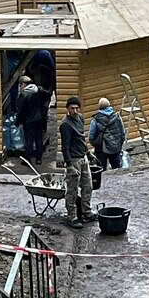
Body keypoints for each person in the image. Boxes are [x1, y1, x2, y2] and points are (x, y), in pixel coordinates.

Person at [60, 96, 97, 229]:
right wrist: (69, 165)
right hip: (74, 160)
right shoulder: (65, 124)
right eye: (72, 109)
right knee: (72, 191)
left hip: (83, 158)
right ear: (67, 109)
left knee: (88, 186)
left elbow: (81, 138)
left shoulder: (80, 118)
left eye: (76, 108)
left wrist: (88, 153)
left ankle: (87, 212)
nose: (74, 111)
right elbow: (65, 147)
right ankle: (72, 217)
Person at [15, 75, 49, 165]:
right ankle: (39, 159)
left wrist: (17, 121)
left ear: (24, 84)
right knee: (39, 139)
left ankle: (28, 159)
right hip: (39, 119)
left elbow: (21, 110)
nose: (20, 87)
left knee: (29, 140)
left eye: (21, 84)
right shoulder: (38, 91)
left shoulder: (24, 94)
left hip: (28, 121)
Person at [88, 97, 125, 171]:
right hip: (116, 148)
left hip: (101, 149)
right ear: (109, 105)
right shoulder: (117, 117)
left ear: (99, 107)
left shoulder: (96, 119)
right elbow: (123, 133)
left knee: (101, 171)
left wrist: (96, 144)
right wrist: (119, 144)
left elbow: (91, 136)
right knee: (117, 171)